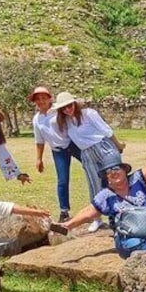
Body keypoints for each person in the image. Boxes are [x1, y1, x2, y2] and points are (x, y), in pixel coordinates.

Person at [58, 134, 146, 259]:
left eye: (116, 168)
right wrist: (68, 225)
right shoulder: (105, 196)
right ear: (106, 178)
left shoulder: (139, 179)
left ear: (124, 170)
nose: (113, 173)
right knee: (144, 250)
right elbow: (88, 212)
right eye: (108, 172)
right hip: (127, 236)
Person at [53, 91, 126, 232]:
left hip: (103, 147)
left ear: (74, 103)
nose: (68, 109)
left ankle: (119, 217)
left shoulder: (89, 114)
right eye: (64, 108)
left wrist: (118, 145)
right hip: (87, 153)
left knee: (116, 182)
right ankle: (97, 219)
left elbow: (106, 131)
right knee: (94, 185)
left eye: (69, 105)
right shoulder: (66, 122)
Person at [30, 87, 82, 222]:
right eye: (38, 99)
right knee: (62, 180)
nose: (41, 101)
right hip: (58, 150)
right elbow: (39, 140)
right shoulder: (37, 119)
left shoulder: (58, 110)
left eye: (44, 97)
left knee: (92, 168)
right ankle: (64, 211)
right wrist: (39, 159)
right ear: (34, 101)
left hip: (73, 144)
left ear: (49, 98)